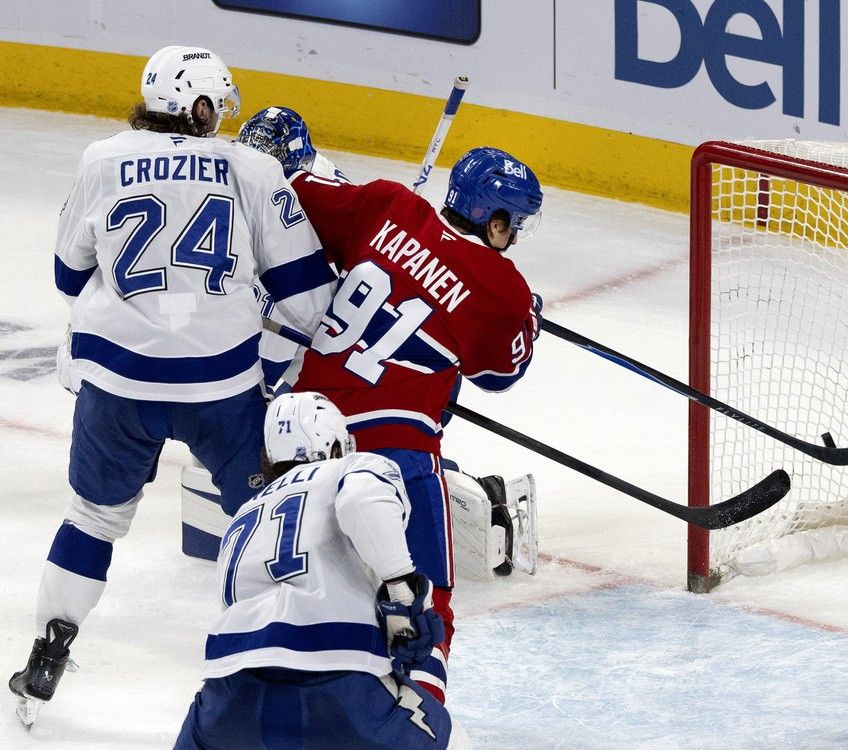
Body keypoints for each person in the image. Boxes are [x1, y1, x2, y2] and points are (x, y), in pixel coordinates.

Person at [9, 47, 334, 729]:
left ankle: (49, 648)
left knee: (93, 518)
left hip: (117, 384)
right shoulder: (250, 167)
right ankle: (292, 667)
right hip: (220, 387)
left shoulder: (102, 159)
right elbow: (309, 302)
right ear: (199, 105)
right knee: (266, 517)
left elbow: (68, 276)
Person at [237, 106, 544, 703]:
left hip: (303, 436)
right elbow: (500, 374)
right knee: (427, 608)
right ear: (495, 220)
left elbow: (296, 202)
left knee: (304, 593)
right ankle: (418, 722)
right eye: (514, 224)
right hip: (396, 452)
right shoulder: (503, 288)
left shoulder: (388, 204)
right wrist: (529, 318)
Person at [174, 392, 468, 749]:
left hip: (228, 693)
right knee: (451, 739)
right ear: (335, 445)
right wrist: (401, 588)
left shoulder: (244, 515)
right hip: (335, 676)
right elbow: (362, 499)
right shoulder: (351, 468)